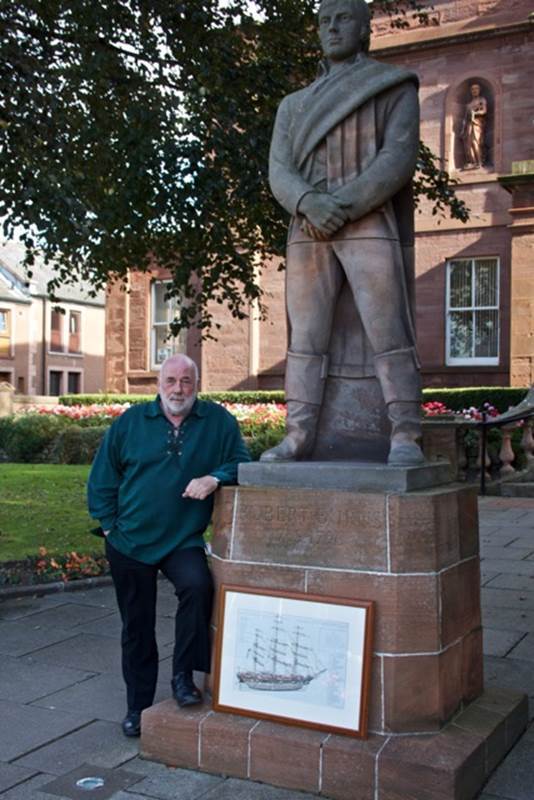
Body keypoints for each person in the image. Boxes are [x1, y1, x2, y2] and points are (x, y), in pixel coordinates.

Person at [260, 0, 425, 466]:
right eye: (324, 21)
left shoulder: (393, 86)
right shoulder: (293, 106)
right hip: (308, 225)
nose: (332, 28)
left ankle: (405, 433)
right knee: (306, 336)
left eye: (343, 18)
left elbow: (397, 159)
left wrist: (343, 206)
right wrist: (310, 202)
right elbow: (279, 170)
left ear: (365, 28)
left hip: (368, 219)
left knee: (387, 327)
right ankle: (298, 437)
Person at [87, 354, 250, 737]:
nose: (179, 389)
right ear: (160, 383)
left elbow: (242, 463)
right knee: (137, 625)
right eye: (172, 380)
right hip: (130, 541)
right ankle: (138, 706)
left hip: (182, 539)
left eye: (187, 381)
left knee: (197, 587)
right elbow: (101, 480)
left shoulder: (218, 422)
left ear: (197, 383)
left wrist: (214, 477)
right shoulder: (131, 422)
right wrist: (110, 528)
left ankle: (182, 677)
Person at [460, 83, 487, 169]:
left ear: (479, 90)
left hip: (477, 123)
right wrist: (462, 129)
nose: (474, 91)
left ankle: (479, 161)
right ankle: (472, 161)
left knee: (476, 142)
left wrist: (475, 113)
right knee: (468, 144)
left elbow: (484, 111)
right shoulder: (468, 105)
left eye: (476, 89)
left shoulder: (481, 100)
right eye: (472, 89)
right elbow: (464, 118)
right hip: (469, 125)